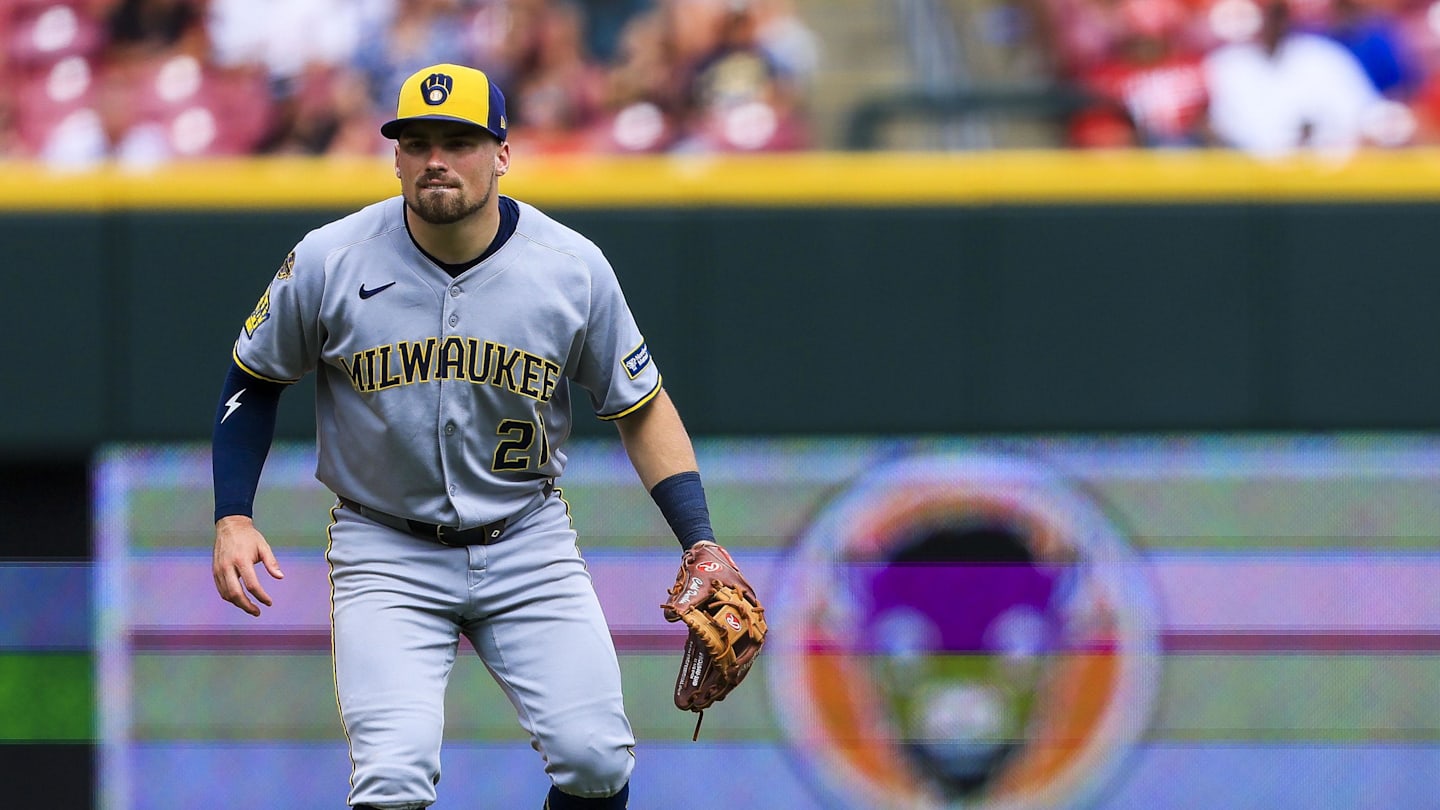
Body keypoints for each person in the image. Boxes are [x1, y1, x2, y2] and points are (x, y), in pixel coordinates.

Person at [210, 62, 738, 810]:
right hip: (384, 547)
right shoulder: (331, 258)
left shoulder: (570, 267)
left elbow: (642, 406)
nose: (435, 161)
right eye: (416, 142)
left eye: (459, 141)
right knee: (391, 784)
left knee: (596, 759)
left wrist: (700, 538)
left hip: (526, 539)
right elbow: (252, 379)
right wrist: (233, 513)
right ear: (393, 155)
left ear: (501, 153)